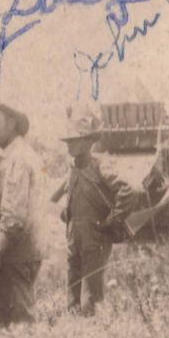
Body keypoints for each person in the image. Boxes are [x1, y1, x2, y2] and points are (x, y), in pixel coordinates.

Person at [0, 101, 43, 326]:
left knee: (20, 319)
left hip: (16, 252)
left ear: (12, 123)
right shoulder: (13, 155)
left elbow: (13, 215)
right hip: (14, 251)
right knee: (1, 319)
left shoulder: (18, 158)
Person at [55, 113, 127, 315]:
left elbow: (127, 191)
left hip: (95, 237)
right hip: (73, 236)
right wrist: (66, 213)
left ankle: (94, 334)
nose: (69, 145)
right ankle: (75, 330)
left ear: (88, 142)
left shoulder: (99, 166)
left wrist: (112, 219)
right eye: (68, 140)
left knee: (92, 296)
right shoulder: (72, 169)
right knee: (72, 291)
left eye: (74, 140)